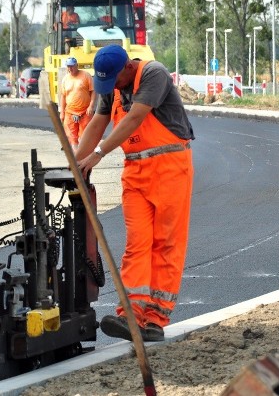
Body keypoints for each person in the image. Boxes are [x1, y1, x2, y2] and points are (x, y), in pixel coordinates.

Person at [75, 45, 194, 343]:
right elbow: (96, 125)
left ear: (127, 68)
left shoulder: (154, 73)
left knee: (166, 244)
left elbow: (134, 119)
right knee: (137, 243)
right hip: (135, 172)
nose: (110, 87)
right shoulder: (110, 84)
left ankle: (155, 318)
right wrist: (76, 164)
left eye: (113, 80)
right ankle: (129, 314)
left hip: (170, 166)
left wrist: (100, 153)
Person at [59, 56, 94, 146]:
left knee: (84, 137)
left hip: (85, 111)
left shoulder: (86, 75)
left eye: (72, 66)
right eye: (68, 66)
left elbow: (93, 91)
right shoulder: (65, 79)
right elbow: (63, 96)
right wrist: (62, 112)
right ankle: (75, 157)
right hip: (70, 112)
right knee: (71, 137)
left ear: (77, 65)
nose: (70, 68)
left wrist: (91, 106)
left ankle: (83, 155)